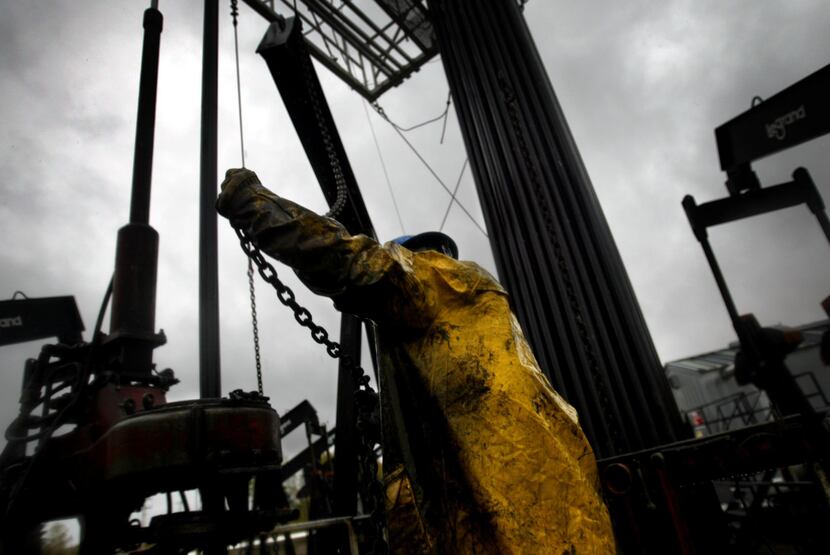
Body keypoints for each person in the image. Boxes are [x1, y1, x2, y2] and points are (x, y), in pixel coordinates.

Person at [217, 168, 616, 554]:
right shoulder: (477, 320)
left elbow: (350, 264)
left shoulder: (433, 277)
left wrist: (254, 204)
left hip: (510, 514)